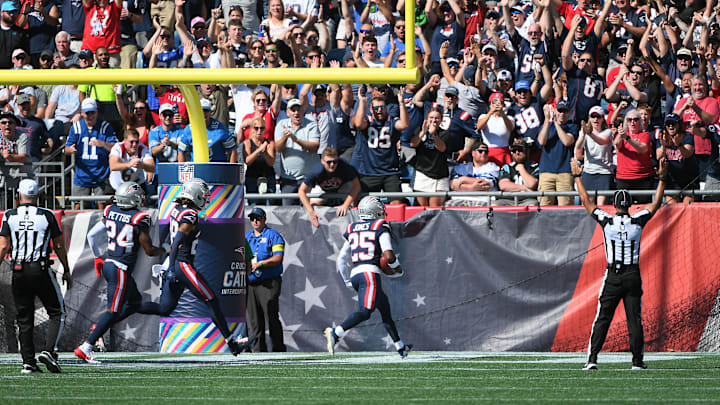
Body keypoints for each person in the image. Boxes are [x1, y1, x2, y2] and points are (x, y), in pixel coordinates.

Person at [121, 178, 246, 355]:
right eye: (203, 196)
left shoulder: (178, 210)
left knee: (165, 308)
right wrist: (172, 266)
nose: (205, 199)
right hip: (182, 264)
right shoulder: (190, 215)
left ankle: (123, 310)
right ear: (195, 195)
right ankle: (232, 343)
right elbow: (178, 242)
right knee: (211, 299)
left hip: (177, 263)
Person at [571, 156, 668, 371]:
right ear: (631, 205)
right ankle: (637, 361)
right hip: (632, 275)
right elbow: (656, 203)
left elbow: (587, 202)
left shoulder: (607, 221)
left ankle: (592, 359)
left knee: (603, 317)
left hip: (613, 276)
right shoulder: (637, 220)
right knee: (634, 319)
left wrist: (577, 177)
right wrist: (662, 179)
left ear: (615, 205)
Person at [75, 182, 167, 363]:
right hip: (121, 269)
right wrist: (164, 249)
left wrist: (97, 257)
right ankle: (86, 347)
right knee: (113, 310)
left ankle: (100, 326)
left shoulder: (110, 211)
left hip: (110, 263)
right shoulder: (139, 217)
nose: (142, 199)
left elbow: (92, 235)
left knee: (135, 302)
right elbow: (148, 250)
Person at [324, 196, 412, 358]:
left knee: (385, 310)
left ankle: (400, 346)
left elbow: (342, 259)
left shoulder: (352, 227)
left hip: (357, 274)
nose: (382, 212)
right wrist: (397, 269)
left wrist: (347, 281)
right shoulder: (380, 225)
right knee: (365, 312)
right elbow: (389, 255)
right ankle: (336, 332)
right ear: (374, 211)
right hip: (369, 274)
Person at [0, 179, 72, 374]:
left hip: (18, 270)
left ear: (19, 196)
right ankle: (49, 350)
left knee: (24, 318)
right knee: (57, 312)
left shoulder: (9, 215)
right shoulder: (47, 215)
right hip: (39, 269)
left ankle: (28, 362)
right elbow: (58, 245)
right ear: (38, 196)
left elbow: (3, 246)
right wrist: (66, 269)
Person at [244, 207, 286, 352]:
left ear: (264, 219)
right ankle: (258, 352)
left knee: (271, 316)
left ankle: (278, 350)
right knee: (255, 321)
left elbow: (278, 258)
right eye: (252, 218)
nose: (255, 221)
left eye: (258, 218)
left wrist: (261, 263)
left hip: (269, 282)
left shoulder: (273, 235)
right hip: (250, 283)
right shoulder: (246, 237)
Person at [64, 98, 117, 210]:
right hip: (82, 175)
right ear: (82, 113)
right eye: (87, 113)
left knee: (102, 207)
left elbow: (116, 147)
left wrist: (102, 144)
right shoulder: (77, 127)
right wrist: (70, 150)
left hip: (101, 175)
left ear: (97, 112)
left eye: (92, 113)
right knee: (78, 207)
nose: (90, 116)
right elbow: (66, 148)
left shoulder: (105, 127)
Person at [298, 147, 361, 227]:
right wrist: (311, 212)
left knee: (353, 203)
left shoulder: (344, 166)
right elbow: (301, 191)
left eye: (335, 162)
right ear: (322, 161)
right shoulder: (317, 171)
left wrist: (345, 205)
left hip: (342, 186)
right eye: (329, 162)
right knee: (313, 204)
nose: (332, 165)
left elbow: (356, 186)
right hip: (322, 188)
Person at [178, 98, 237, 163]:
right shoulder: (189, 129)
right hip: (198, 167)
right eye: (201, 110)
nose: (203, 113)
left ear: (210, 112)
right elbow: (180, 150)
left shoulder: (220, 128)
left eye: (206, 110)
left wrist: (231, 170)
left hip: (217, 168)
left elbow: (233, 149)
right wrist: (182, 170)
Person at [449, 141, 500, 206]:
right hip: (460, 201)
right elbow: (453, 185)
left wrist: (463, 179)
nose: (484, 153)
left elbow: (485, 184)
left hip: (483, 202)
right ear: (473, 153)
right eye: (480, 151)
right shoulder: (460, 167)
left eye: (486, 152)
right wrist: (472, 187)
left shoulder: (493, 167)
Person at [497, 139, 539, 206]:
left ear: (527, 151)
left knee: (533, 205)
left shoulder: (535, 167)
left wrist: (521, 169)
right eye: (514, 150)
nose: (517, 152)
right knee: (495, 205)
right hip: (509, 200)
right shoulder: (507, 167)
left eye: (520, 149)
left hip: (528, 200)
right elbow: (503, 186)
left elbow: (532, 184)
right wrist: (525, 188)